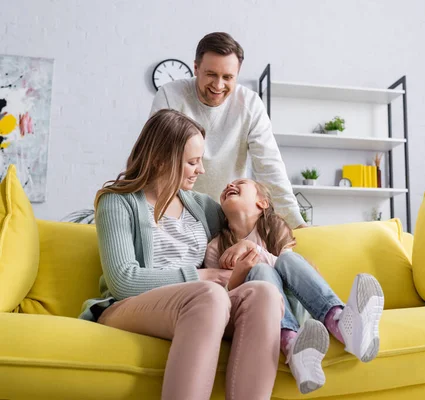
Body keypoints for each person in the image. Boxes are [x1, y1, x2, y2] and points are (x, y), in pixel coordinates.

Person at [79, 109, 284, 400]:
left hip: (201, 306)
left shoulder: (204, 207)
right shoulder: (117, 202)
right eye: (192, 162)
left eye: (201, 160)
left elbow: (251, 226)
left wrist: (254, 247)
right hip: (129, 306)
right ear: (161, 159)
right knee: (209, 295)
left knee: (263, 293)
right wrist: (201, 276)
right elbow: (123, 281)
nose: (201, 170)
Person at [203, 178, 385, 395]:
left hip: (299, 310)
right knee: (261, 272)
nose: (229, 185)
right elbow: (220, 297)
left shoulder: (274, 227)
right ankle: (293, 346)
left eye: (240, 182)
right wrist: (241, 272)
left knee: (287, 261)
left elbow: (291, 269)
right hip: (260, 318)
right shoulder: (216, 247)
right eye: (226, 186)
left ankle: (341, 322)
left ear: (262, 203)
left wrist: (250, 247)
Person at [149, 32, 306, 230]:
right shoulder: (170, 95)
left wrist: (295, 222)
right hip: (176, 211)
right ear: (196, 68)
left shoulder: (250, 104)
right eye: (211, 74)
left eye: (228, 77)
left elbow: (270, 166)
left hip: (228, 214)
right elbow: (157, 160)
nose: (218, 85)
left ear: (237, 75)